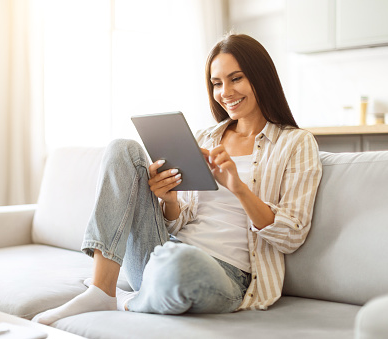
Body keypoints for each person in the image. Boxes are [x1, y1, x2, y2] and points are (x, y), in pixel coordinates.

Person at [32, 34, 322, 325]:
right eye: (217, 83)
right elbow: (177, 221)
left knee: (180, 263)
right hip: (163, 251)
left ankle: (129, 300)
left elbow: (292, 235)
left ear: (261, 78)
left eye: (236, 78)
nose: (225, 92)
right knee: (123, 149)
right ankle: (102, 289)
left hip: (220, 274)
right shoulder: (205, 137)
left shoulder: (296, 143)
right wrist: (169, 200)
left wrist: (239, 188)